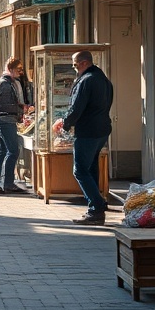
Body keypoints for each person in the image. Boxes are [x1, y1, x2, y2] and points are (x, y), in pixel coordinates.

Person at [58, 50, 114, 225]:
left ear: (83, 63)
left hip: (88, 131)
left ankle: (96, 207)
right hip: (102, 129)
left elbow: (77, 107)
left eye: (75, 65)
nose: (74, 68)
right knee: (91, 168)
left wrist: (64, 123)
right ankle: (96, 206)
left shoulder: (86, 80)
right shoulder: (103, 79)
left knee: (80, 170)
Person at [0, 57, 30, 194]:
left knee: (2, 151)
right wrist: (23, 109)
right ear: (10, 69)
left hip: (5, 120)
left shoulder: (9, 82)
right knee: (13, 151)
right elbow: (4, 106)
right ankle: (8, 183)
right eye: (19, 69)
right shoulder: (5, 84)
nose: (21, 72)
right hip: (6, 121)